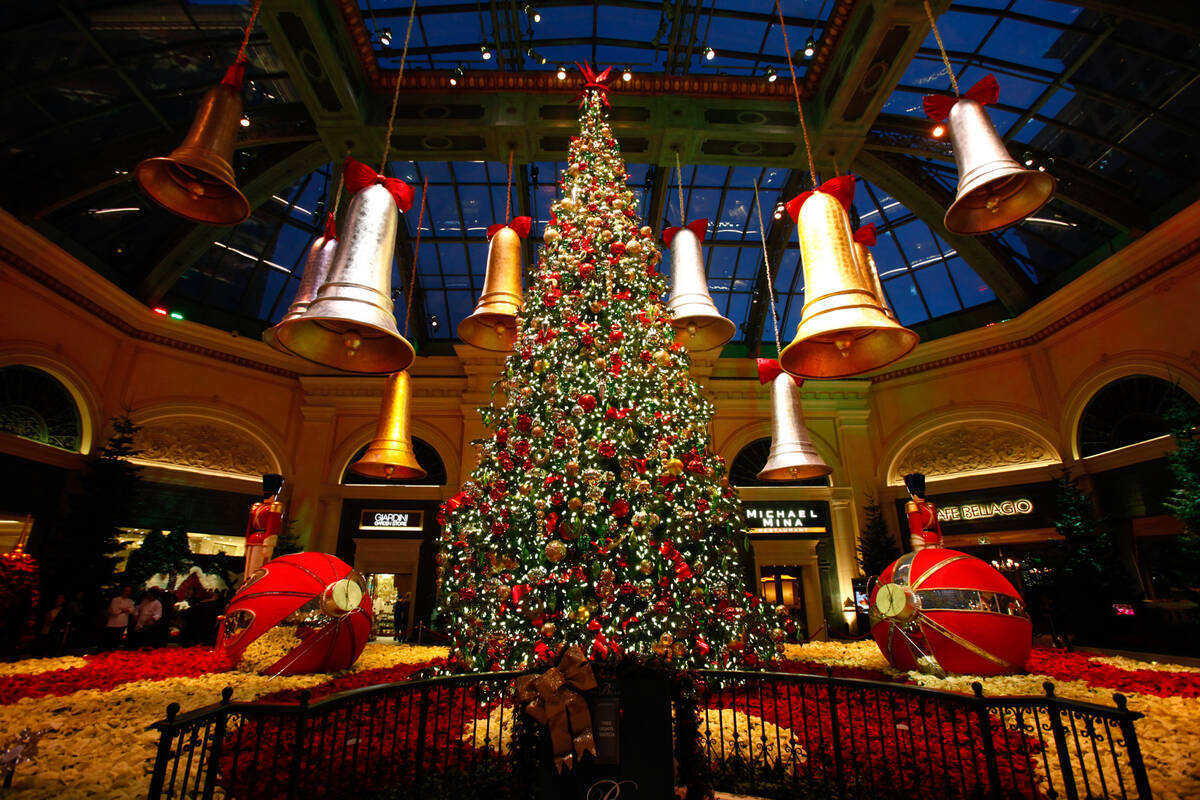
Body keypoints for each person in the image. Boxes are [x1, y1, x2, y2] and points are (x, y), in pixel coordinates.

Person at [903, 472, 944, 552]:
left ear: (912, 494)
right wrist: (940, 542)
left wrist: (918, 547)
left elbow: (916, 528)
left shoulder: (913, 505)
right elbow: (938, 529)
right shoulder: (930, 506)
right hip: (935, 541)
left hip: (924, 542)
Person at [100, 586, 134, 651]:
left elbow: (131, 610)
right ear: (122, 591)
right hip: (113, 623)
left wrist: (122, 609)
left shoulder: (130, 601)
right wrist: (124, 610)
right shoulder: (116, 600)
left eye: (129, 591)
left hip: (123, 623)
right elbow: (114, 611)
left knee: (117, 640)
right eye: (126, 591)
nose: (127, 593)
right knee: (109, 640)